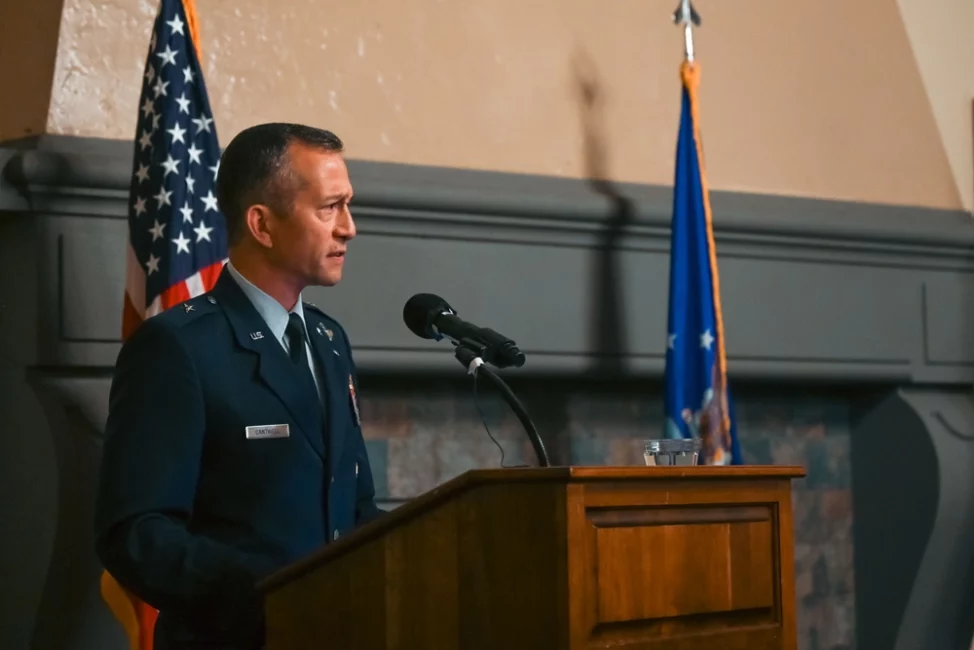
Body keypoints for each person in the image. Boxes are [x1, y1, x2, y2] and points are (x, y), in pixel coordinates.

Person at [94, 123, 383, 650]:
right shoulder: (178, 346)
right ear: (262, 225)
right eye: (329, 208)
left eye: (348, 206)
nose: (349, 228)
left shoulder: (329, 340)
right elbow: (136, 532)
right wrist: (269, 596)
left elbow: (356, 509)